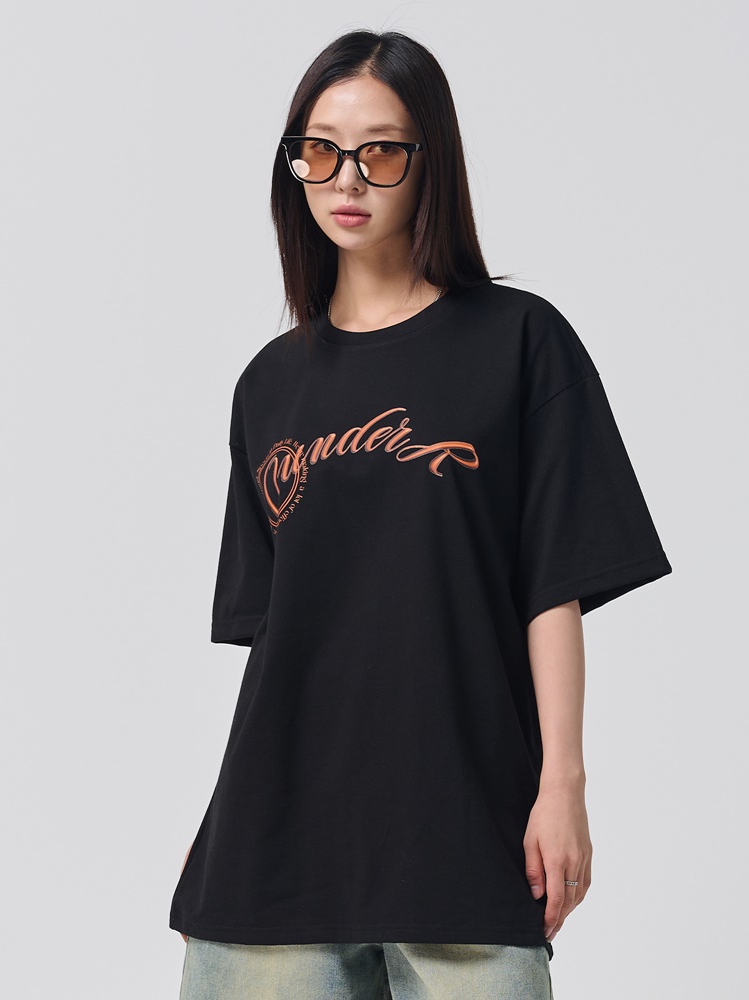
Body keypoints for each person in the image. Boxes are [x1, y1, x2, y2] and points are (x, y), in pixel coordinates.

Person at [169, 28, 672, 1000]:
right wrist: (222, 828)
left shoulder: (520, 343)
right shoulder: (267, 386)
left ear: (430, 158)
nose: (346, 178)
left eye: (381, 151)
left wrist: (561, 784)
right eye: (319, 150)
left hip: (463, 832)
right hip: (272, 852)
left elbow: (552, 586)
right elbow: (279, 640)